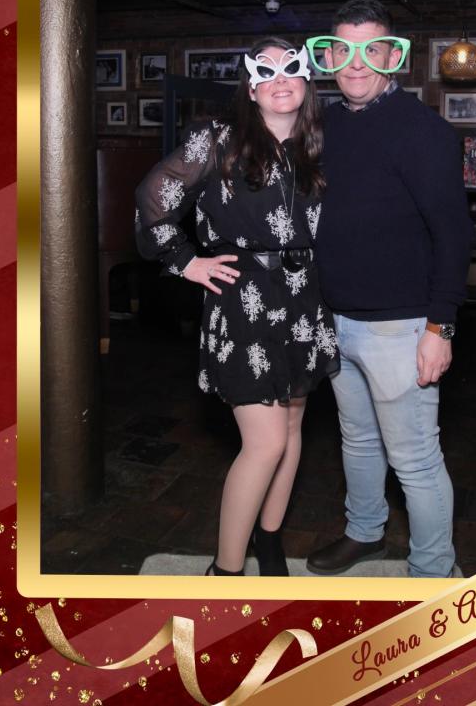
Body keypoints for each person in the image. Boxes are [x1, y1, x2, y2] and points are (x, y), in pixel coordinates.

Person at [135, 39, 338, 577]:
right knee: (265, 443)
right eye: (265, 72)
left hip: (304, 298)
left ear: (306, 81)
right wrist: (185, 261)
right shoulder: (218, 139)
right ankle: (225, 571)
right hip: (246, 300)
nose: (279, 78)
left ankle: (268, 541)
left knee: (291, 428)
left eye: (290, 68)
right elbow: (154, 195)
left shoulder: (319, 142)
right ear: (250, 88)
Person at [305, 0, 473, 579]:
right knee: (357, 440)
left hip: (402, 328)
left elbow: (454, 233)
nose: (355, 63)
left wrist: (440, 327)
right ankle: (365, 532)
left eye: (370, 49)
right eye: (342, 50)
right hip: (337, 320)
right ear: (328, 56)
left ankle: (433, 573)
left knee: (415, 459)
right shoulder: (325, 124)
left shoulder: (423, 130)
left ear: (392, 55)